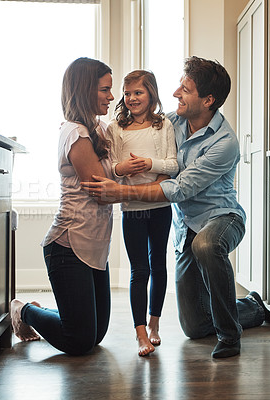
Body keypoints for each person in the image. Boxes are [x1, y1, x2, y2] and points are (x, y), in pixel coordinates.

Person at [81, 56, 270, 359]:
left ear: (208, 99)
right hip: (186, 223)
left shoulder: (224, 143)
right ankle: (253, 307)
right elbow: (139, 132)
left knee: (206, 244)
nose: (176, 94)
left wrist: (120, 191)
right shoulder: (171, 123)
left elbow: (181, 187)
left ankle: (230, 337)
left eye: (185, 89)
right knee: (195, 325)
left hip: (221, 217)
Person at [10, 57, 115, 355]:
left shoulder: (100, 129)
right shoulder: (74, 132)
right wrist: (151, 193)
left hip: (94, 245)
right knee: (78, 341)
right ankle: (24, 311)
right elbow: (101, 192)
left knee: (95, 336)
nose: (111, 96)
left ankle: (50, 313)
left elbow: (114, 174)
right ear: (85, 90)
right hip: (67, 245)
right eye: (105, 89)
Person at [107, 70, 178, 356]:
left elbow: (173, 165)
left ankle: (154, 325)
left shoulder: (163, 126)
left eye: (139, 92)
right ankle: (139, 334)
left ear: (151, 95)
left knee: (158, 265)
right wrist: (122, 169)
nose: (132, 98)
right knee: (140, 269)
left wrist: (149, 163)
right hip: (132, 209)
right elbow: (111, 167)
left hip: (160, 206)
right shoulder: (117, 128)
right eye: (128, 93)